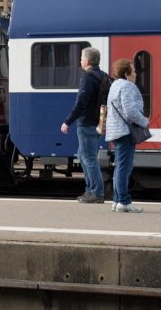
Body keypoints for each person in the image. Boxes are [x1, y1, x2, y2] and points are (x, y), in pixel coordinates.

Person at [60, 47, 107, 203]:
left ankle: (96, 193)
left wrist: (68, 121)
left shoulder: (88, 78)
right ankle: (90, 190)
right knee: (82, 155)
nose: (80, 61)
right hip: (97, 122)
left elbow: (81, 102)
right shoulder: (102, 76)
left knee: (89, 158)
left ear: (87, 61)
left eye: (81, 58)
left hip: (87, 123)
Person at [105, 58, 149, 213]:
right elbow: (130, 111)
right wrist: (144, 121)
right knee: (124, 168)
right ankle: (123, 201)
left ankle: (117, 201)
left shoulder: (115, 86)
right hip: (125, 131)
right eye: (133, 71)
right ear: (126, 73)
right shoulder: (127, 86)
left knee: (119, 167)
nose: (136, 74)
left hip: (116, 131)